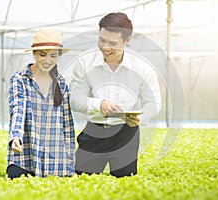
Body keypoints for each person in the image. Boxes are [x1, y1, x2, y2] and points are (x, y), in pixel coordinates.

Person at [69, 12, 161, 178]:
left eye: (113, 43)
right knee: (82, 180)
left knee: (124, 182)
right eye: (101, 40)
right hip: (94, 132)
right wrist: (100, 104)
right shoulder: (85, 63)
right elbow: (75, 100)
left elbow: (153, 102)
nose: (105, 47)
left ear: (127, 40)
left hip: (126, 133)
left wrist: (141, 118)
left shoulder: (142, 68)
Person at [6, 28, 75, 179]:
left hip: (55, 160)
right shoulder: (20, 79)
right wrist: (16, 136)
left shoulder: (61, 82)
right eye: (42, 55)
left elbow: (67, 122)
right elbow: (18, 108)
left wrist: (70, 161)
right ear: (34, 53)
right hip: (25, 156)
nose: (47, 60)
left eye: (53, 56)